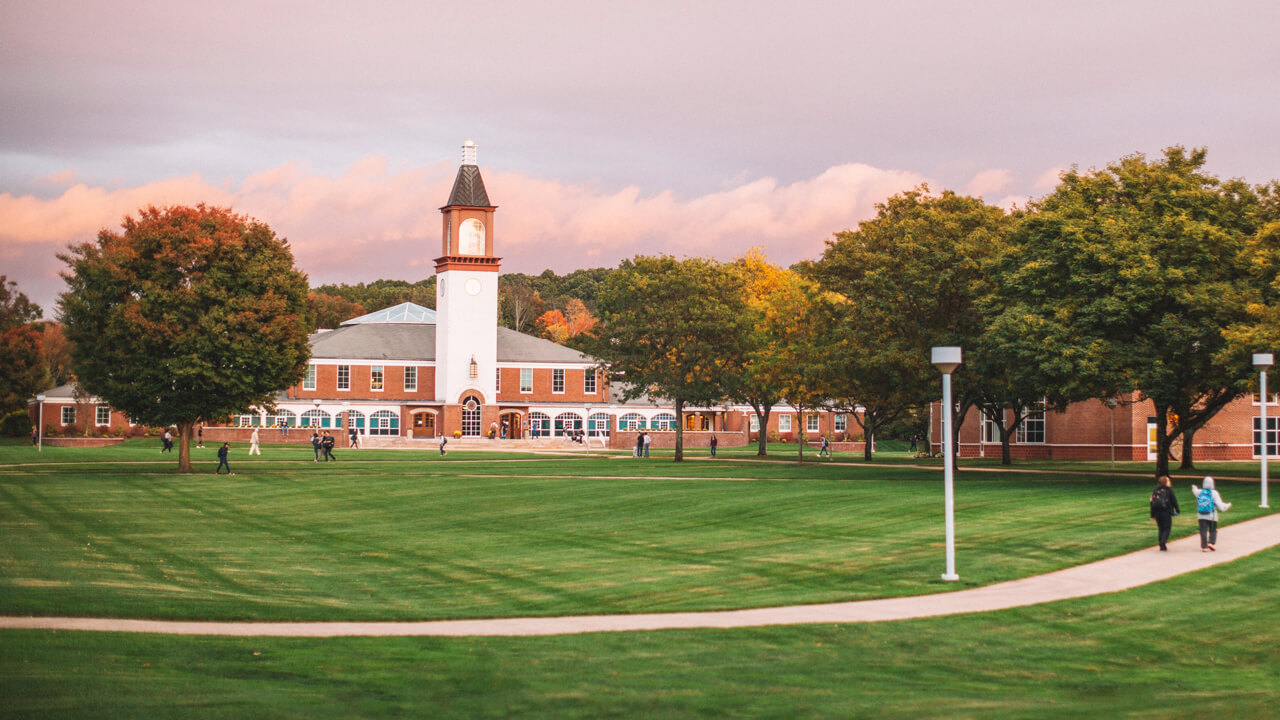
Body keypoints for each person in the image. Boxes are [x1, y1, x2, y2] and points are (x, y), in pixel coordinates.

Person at [1190, 476, 1231, 552]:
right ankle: (1211, 543)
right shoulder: (1214, 493)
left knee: (1203, 530)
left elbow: (1194, 491)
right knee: (1213, 530)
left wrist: (1194, 487)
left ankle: (1204, 547)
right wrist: (1227, 505)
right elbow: (1220, 505)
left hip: (1201, 515)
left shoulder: (1199, 492)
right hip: (1212, 516)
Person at [1149, 475, 1180, 551]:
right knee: (1167, 528)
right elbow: (1174, 501)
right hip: (1166, 511)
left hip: (1157, 512)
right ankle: (1163, 541)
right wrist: (1177, 510)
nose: (1170, 482)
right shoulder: (1169, 490)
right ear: (1166, 482)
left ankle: (1161, 543)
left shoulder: (1155, 490)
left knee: (1161, 528)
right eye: (1168, 481)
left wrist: (1152, 515)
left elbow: (1152, 503)